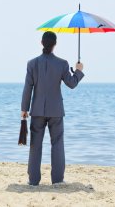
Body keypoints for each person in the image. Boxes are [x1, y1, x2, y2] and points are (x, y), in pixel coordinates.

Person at [21, 31, 84, 186]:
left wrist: (24, 108)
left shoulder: (32, 63)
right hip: (56, 111)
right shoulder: (62, 63)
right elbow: (72, 84)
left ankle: (33, 180)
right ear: (55, 44)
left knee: (35, 145)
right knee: (57, 144)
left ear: (42, 43)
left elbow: (27, 88)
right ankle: (57, 180)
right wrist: (78, 70)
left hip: (37, 111)